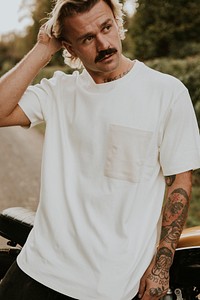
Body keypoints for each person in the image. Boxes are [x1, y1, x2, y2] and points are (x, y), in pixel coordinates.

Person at [0, 0, 200, 299]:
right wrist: (43, 49)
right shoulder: (60, 92)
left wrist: (161, 267)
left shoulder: (166, 93)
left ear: (118, 25)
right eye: (86, 38)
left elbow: (179, 183)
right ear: (69, 48)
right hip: (38, 268)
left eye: (106, 27)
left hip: (110, 285)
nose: (104, 44)